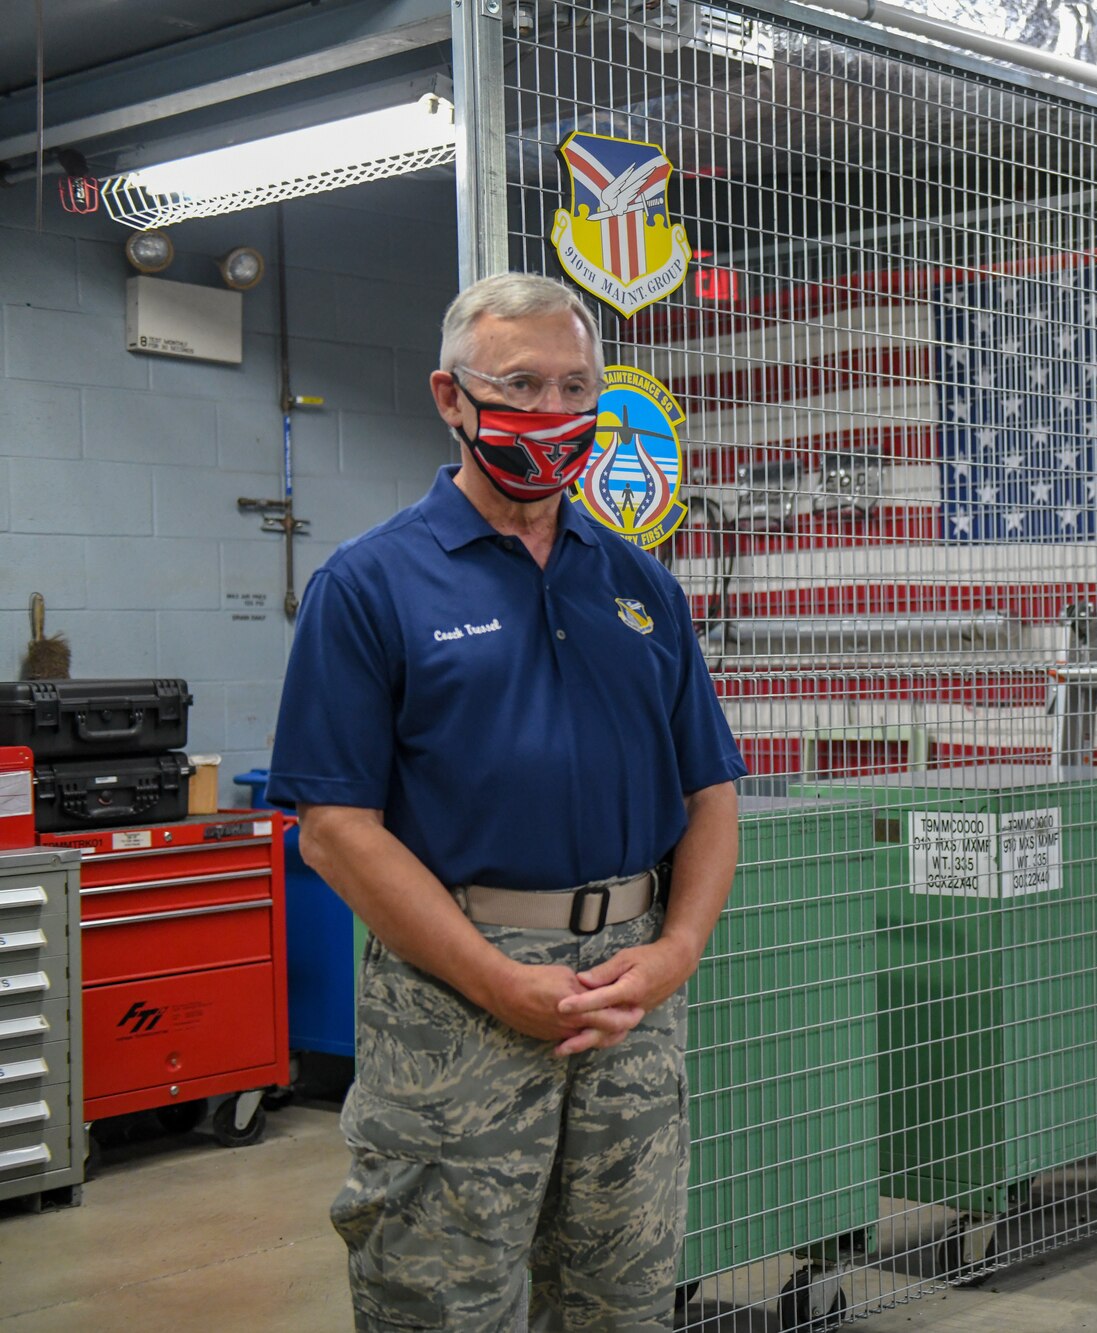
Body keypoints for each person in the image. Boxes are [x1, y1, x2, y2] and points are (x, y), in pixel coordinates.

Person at [267, 271, 745, 1332]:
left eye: (576, 386)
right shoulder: (372, 585)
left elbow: (710, 792)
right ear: (451, 397)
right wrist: (493, 979)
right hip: (455, 1001)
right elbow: (337, 834)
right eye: (520, 385)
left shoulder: (638, 584)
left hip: (630, 998)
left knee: (621, 1299)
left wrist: (674, 953)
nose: (551, 413)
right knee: (442, 1299)